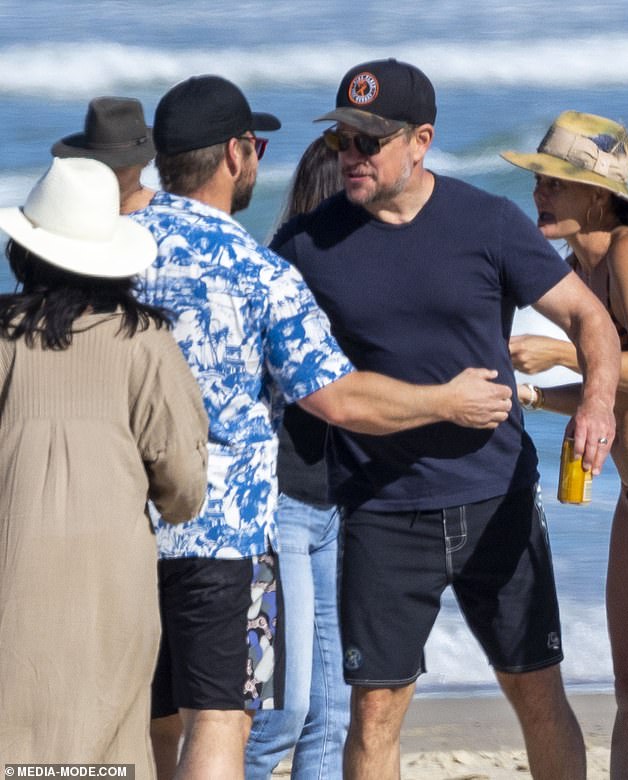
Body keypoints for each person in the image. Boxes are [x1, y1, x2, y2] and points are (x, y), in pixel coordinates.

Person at [132, 74, 515, 780]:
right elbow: (336, 399)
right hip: (232, 536)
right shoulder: (261, 272)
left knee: (147, 723)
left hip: (118, 525)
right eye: (257, 146)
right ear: (235, 155)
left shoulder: (107, 253)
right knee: (222, 719)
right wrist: (445, 401)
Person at [269, 59, 622, 780]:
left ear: (421, 140)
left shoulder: (486, 222)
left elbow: (591, 320)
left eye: (371, 140)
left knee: (536, 692)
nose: (353, 156)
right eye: (343, 140)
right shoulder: (309, 245)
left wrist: (594, 401)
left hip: (496, 497)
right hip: (381, 508)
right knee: (375, 713)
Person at [0, 157, 208, 774]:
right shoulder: (145, 342)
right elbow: (185, 485)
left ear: (27, 250)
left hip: (10, 564)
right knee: (106, 742)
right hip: (110, 578)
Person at [502, 110, 628, 780]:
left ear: (600, 195)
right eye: (540, 179)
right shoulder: (575, 271)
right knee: (627, 691)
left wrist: (567, 350)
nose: (540, 193)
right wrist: (533, 398)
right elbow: (613, 394)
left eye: (557, 181)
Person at [245, 138, 348, 779]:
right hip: (283, 502)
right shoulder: (285, 270)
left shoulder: (368, 275)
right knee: (283, 713)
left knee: (331, 718)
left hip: (342, 503)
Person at [52, 96, 156, 213]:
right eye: (97, 164)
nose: (106, 173)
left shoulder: (167, 217)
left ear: (144, 161)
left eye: (120, 166)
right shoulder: (65, 211)